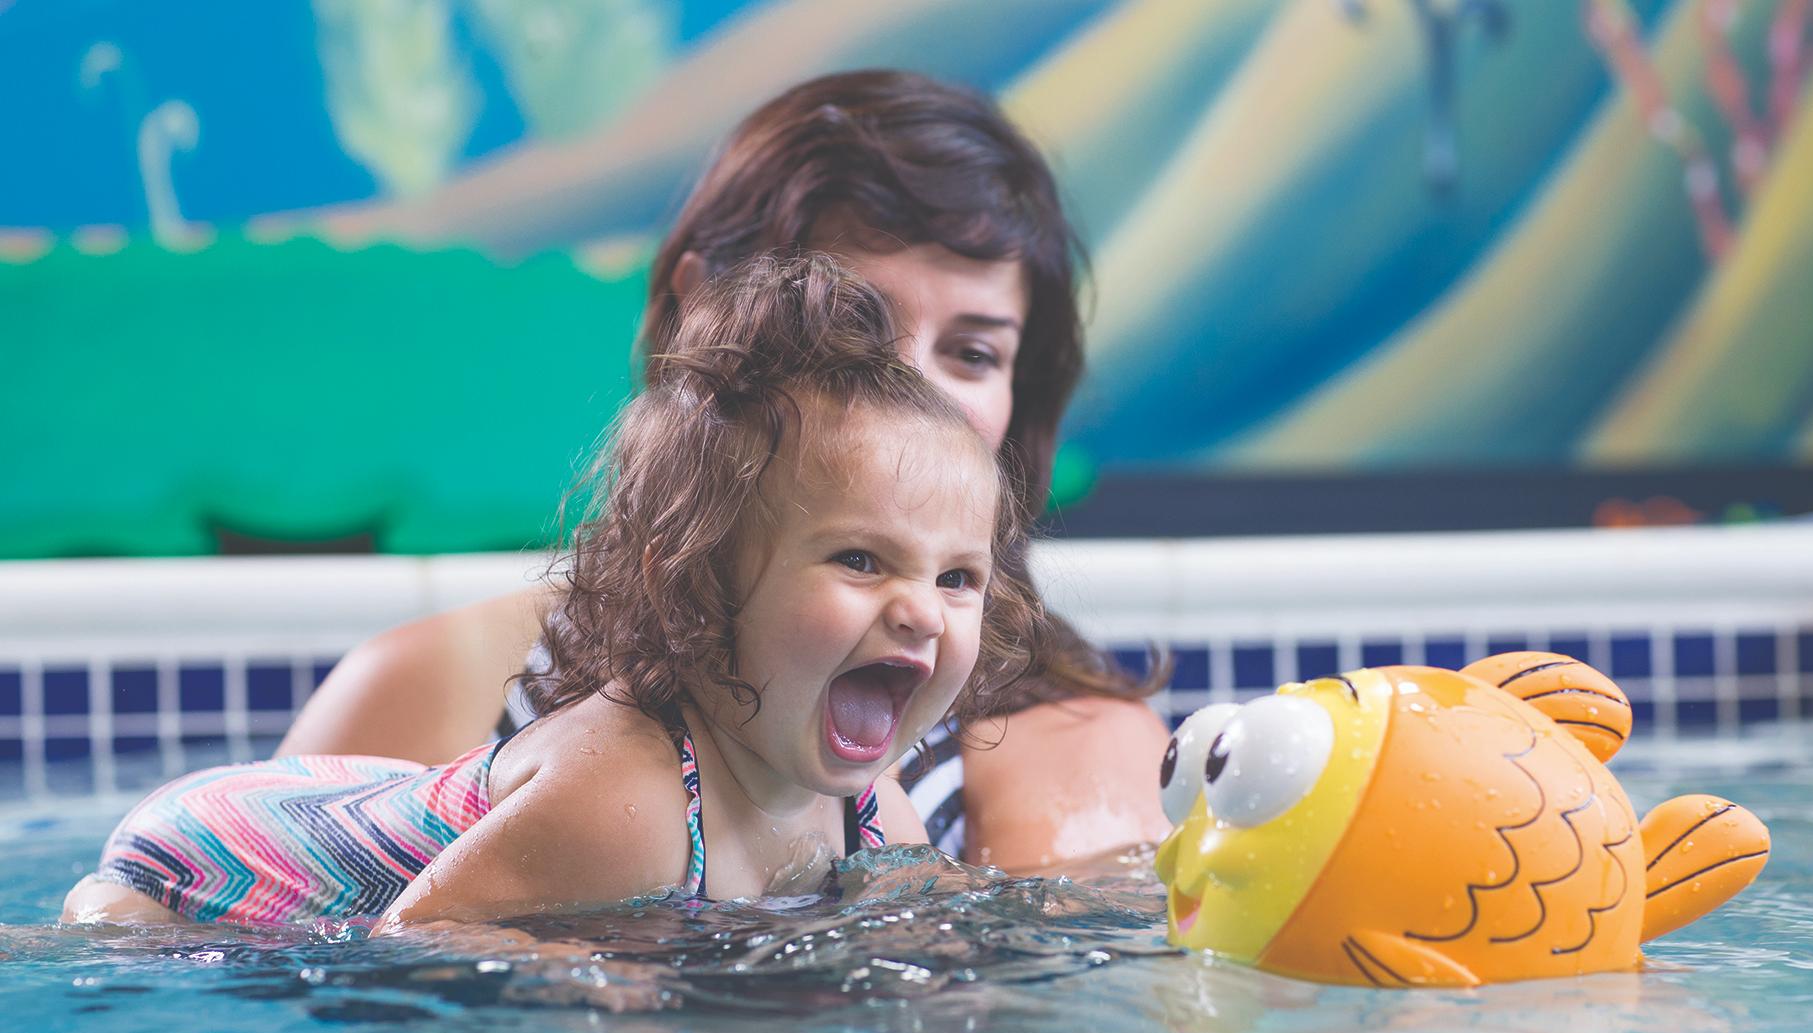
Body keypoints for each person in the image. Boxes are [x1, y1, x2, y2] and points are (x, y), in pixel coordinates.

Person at [278, 70, 1172, 870]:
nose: (914, 391)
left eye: (973, 353)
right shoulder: (434, 692)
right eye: (854, 325)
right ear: (699, 317)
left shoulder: (1070, 740)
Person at [65, 254, 1041, 928]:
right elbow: (418, 939)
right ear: (700, 582)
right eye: (861, 562)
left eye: (958, 577)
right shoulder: (630, 793)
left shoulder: (868, 805)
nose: (922, 609)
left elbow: (937, 932)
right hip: (212, 861)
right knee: (109, 938)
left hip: (359, 815)